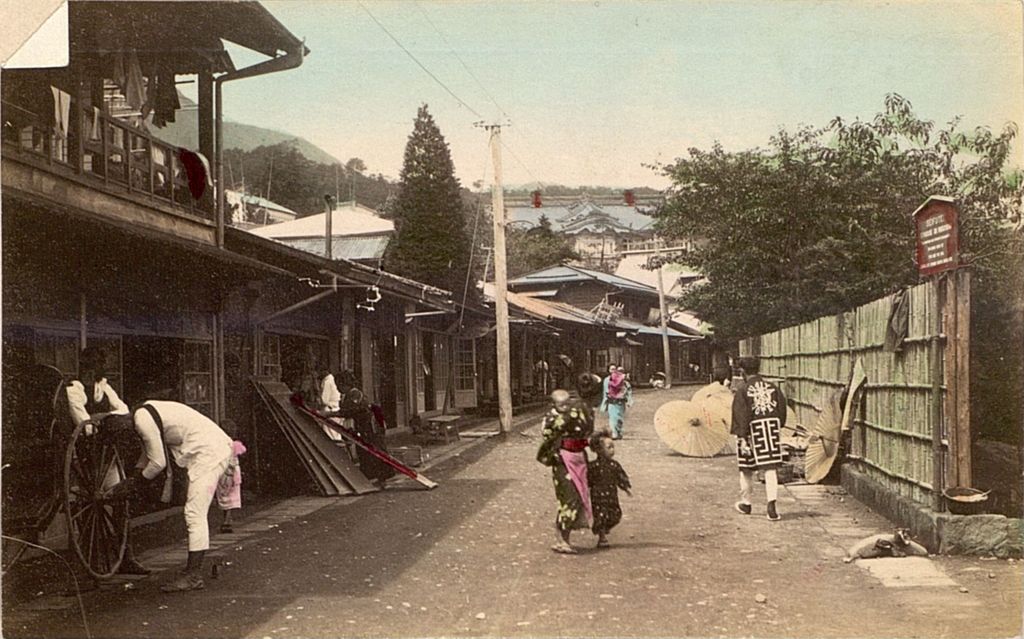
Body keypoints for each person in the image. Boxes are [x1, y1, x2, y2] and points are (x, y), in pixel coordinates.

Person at [111, 400, 234, 591]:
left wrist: (133, 484)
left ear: (125, 425)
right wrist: (134, 479)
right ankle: (192, 573)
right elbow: (149, 454)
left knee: (194, 513)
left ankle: (193, 576)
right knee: (195, 512)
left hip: (210, 452)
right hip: (208, 447)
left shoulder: (142, 422)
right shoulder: (143, 414)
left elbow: (157, 463)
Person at [65, 346, 151, 577]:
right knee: (84, 506)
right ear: (84, 368)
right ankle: (88, 564)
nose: (94, 374)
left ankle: (126, 557)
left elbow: (122, 410)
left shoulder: (103, 387)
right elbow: (84, 425)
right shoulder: (74, 388)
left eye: (97, 369)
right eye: (91, 368)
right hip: (81, 458)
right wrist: (101, 421)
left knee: (119, 498)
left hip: (104, 455)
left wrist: (102, 418)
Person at [536, 388, 594, 554]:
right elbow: (549, 435)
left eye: (567, 403)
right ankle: (561, 539)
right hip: (562, 460)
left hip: (578, 458)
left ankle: (563, 537)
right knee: (568, 497)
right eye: (561, 404)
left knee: (579, 495)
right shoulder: (551, 418)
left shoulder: (574, 415)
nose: (565, 407)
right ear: (553, 404)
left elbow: (585, 431)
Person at [730, 356, 786, 521]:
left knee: (746, 469)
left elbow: (740, 414)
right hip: (770, 429)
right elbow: (782, 412)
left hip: (750, 431)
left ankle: (746, 503)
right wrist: (776, 426)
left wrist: (742, 436)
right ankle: (772, 506)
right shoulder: (773, 387)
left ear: (742, 371)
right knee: (770, 468)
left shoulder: (743, 389)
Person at [334, 370, 395, 487]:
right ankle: (374, 479)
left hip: (370, 427)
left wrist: (329, 414)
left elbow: (348, 412)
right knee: (366, 453)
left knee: (374, 452)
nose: (338, 389)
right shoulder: (351, 395)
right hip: (365, 426)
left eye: (339, 386)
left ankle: (381, 479)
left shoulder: (354, 394)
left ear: (345, 384)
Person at [587, 433, 632, 548]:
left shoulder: (614, 465)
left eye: (613, 447)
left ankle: (605, 528)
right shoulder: (592, 466)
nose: (612, 450)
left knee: (616, 514)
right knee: (600, 515)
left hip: (611, 495)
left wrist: (625, 487)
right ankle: (602, 537)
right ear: (598, 450)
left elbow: (620, 476)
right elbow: (587, 479)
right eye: (609, 447)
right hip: (597, 496)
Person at [217, 439, 247, 533]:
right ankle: (227, 520)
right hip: (228, 474)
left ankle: (227, 520)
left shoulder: (224, 450)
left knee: (227, 498)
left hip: (226, 474)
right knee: (228, 498)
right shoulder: (231, 449)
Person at [600, 365, 633, 440]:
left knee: (619, 418)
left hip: (621, 402)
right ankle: (614, 433)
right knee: (613, 418)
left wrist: (629, 400)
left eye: (615, 369)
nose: (613, 370)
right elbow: (606, 391)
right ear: (608, 370)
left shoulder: (623, 380)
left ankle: (619, 432)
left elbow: (628, 390)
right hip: (612, 401)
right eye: (611, 369)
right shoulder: (607, 380)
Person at [319, 369, 345, 443]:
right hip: (336, 408)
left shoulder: (327, 381)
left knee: (330, 437)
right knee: (336, 435)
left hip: (329, 410)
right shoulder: (332, 379)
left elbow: (324, 400)